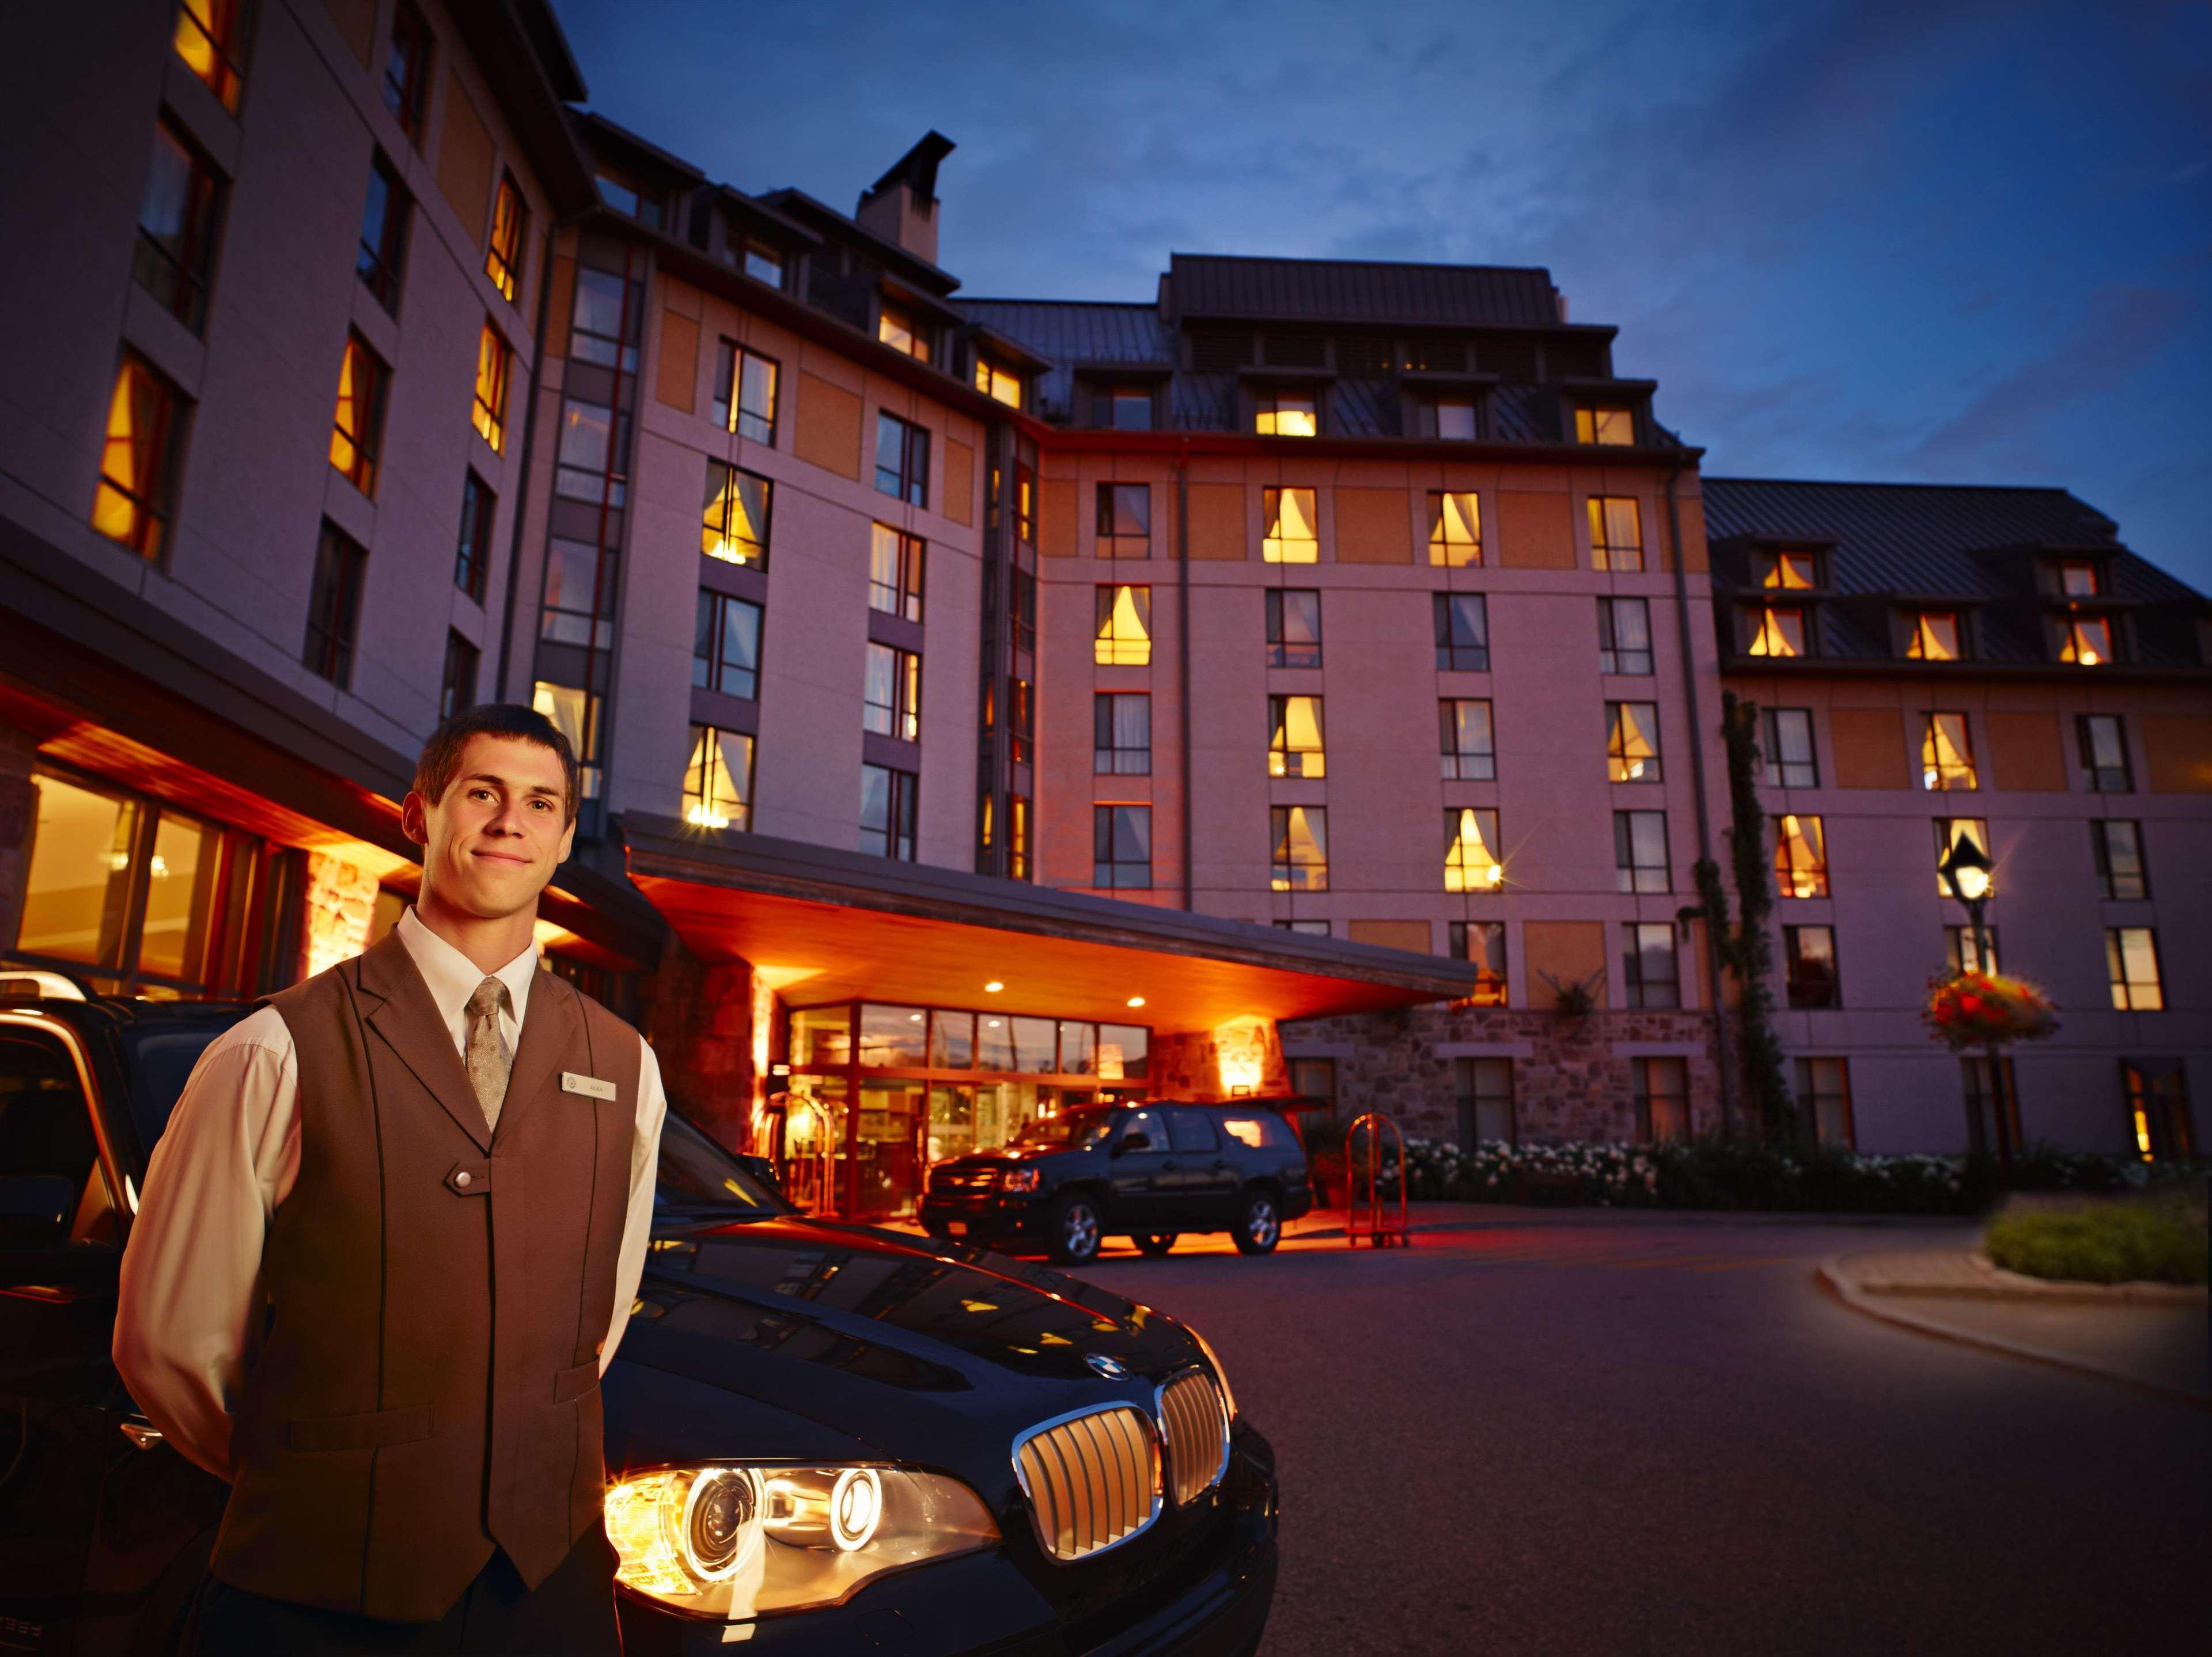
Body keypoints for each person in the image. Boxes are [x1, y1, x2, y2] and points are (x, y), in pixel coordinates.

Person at [115, 704, 667, 1655]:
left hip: (550, 1598)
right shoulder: (275, 1049)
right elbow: (168, 1345)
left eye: (541, 802)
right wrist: (320, 1468)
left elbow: (599, 1322)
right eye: (482, 793)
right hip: (313, 1599)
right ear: (421, 815)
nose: (510, 821)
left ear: (566, 838)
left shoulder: (627, 1064)